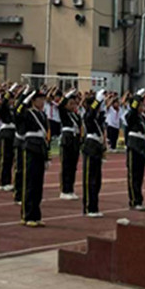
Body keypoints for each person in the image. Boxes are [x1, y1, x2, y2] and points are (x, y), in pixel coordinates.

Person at [20, 88, 50, 226]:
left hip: (40, 147)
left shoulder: (43, 115)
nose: (42, 102)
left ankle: (36, 215)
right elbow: (17, 112)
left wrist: (47, 157)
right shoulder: (27, 113)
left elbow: (46, 136)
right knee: (30, 183)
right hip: (30, 146)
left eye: (43, 100)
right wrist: (24, 100)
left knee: (38, 184)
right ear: (33, 100)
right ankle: (27, 215)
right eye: (39, 99)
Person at [124, 88, 145, 210]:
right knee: (133, 175)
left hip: (141, 146)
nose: (142, 107)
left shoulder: (143, 118)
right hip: (133, 146)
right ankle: (134, 200)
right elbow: (133, 108)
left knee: (140, 176)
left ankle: (139, 199)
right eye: (140, 105)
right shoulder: (132, 116)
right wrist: (137, 97)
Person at [82, 89, 107, 218]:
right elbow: (91, 113)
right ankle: (88, 207)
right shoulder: (88, 116)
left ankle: (94, 206)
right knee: (90, 179)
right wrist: (97, 100)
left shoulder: (97, 119)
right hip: (90, 146)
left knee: (97, 180)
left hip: (97, 146)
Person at [58, 89, 81, 200]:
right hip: (67, 140)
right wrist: (67, 96)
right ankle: (64, 190)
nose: (73, 106)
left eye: (74, 104)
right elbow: (60, 106)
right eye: (70, 104)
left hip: (75, 140)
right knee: (66, 166)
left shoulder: (76, 116)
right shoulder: (64, 113)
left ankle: (71, 189)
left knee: (73, 167)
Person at [0, 87, 17, 191]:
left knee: (11, 159)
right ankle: (3, 182)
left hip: (13, 133)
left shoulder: (13, 110)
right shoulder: (2, 108)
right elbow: (3, 104)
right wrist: (9, 92)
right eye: (10, 99)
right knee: (5, 158)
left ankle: (8, 181)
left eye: (13, 99)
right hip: (5, 132)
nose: (12, 101)